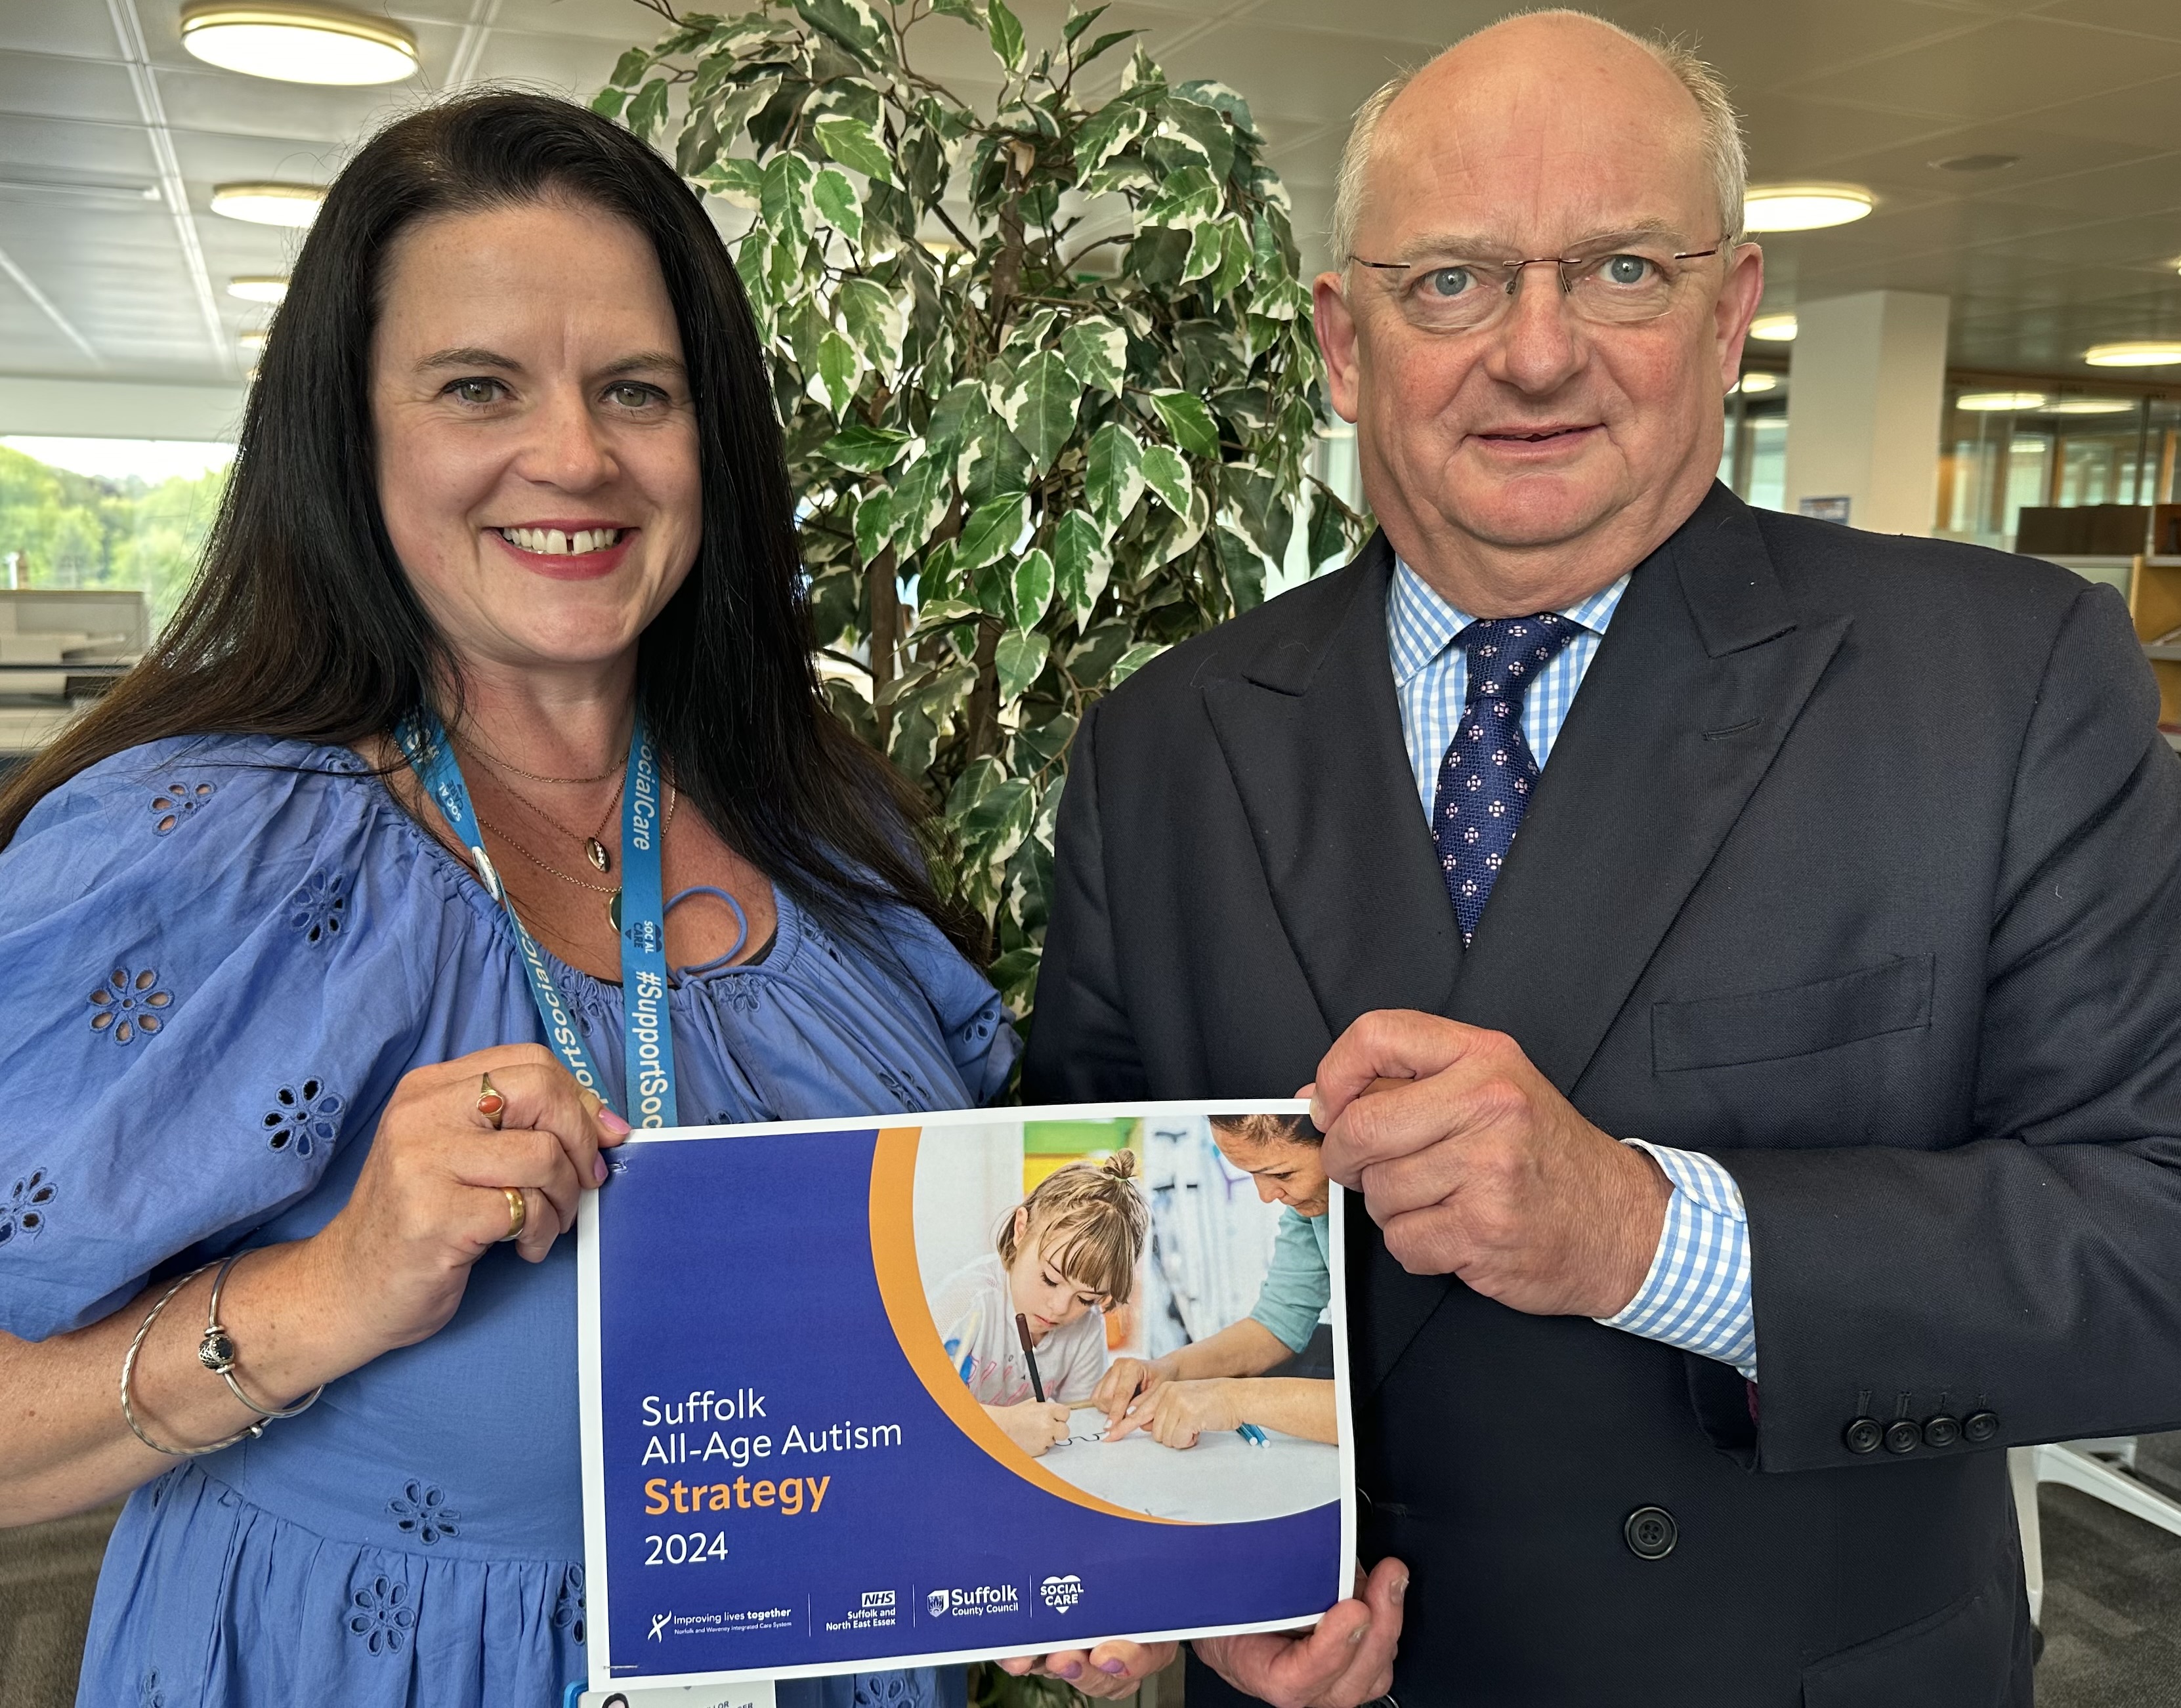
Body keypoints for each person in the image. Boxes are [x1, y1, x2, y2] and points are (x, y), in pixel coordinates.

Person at [1020, 10, 2181, 1707]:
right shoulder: (1163, 743)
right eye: (1453, 283)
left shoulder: (1998, 683)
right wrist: (1160, 1571)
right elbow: (1098, 1197)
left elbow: (2149, 1242)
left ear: (1731, 316)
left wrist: (1649, 1233)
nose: (1539, 351)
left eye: (1623, 269)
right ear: (1345, 345)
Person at [0, 93, 1013, 1708]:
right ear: (352, 433)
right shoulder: (189, 847)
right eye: (480, 386)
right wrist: (325, 1289)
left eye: (636, 390)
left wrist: (1073, 1555)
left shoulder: (830, 832)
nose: (575, 455)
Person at [1095, 1115, 1338, 1448]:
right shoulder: (1312, 1206)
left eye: (1283, 1174)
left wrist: (1233, 1399)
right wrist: (1168, 1369)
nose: (1266, 1195)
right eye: (1252, 1174)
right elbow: (1277, 1325)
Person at [933, 1152, 1149, 1456]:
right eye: (1050, 1278)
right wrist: (1002, 1428)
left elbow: (1080, 1427)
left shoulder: (1086, 1327)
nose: (1060, 1308)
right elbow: (901, 1412)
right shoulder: (966, 1303)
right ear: (1021, 1229)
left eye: (1087, 1298)